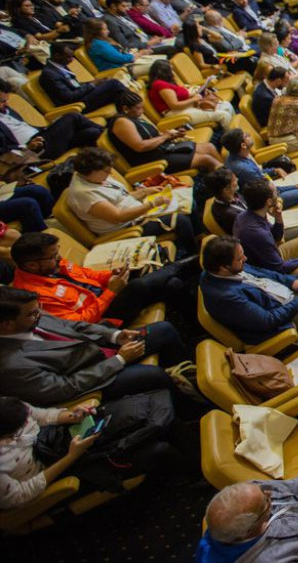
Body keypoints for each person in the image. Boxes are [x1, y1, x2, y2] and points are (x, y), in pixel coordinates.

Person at [0, 286, 184, 406]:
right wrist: (120, 360)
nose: (39, 314)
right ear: (7, 324)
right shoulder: (11, 366)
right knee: (153, 375)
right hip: (93, 379)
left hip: (102, 350)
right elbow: (64, 388)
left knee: (164, 329)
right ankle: (188, 409)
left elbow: (74, 326)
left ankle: (184, 374)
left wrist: (115, 336)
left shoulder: (31, 315)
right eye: (33, 313)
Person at [199, 235, 298, 351]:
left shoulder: (227, 266)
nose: (245, 259)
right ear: (223, 267)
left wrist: (290, 281)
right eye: (240, 259)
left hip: (286, 293)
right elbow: (268, 320)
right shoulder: (226, 299)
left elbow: (262, 272)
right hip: (282, 318)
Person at [10, 231, 197, 326]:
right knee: (138, 286)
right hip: (103, 320)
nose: (59, 258)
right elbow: (81, 322)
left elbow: (88, 275)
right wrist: (111, 292)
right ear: (32, 265)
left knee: (172, 284)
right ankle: (194, 263)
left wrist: (112, 275)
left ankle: (196, 323)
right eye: (53, 256)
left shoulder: (52, 264)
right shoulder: (33, 295)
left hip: (107, 298)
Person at [65, 148, 197, 254]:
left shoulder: (94, 178)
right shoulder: (84, 194)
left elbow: (121, 198)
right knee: (181, 220)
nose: (110, 173)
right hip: (127, 227)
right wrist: (152, 204)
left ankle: (198, 236)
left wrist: (144, 192)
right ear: (90, 171)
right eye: (106, 171)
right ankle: (193, 253)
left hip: (138, 212)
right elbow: (119, 217)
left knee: (187, 201)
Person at [205, 167, 298, 258]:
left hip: (270, 221)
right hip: (270, 234)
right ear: (226, 189)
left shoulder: (234, 196)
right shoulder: (229, 214)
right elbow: (267, 235)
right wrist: (276, 214)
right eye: (234, 181)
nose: (237, 181)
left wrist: (276, 215)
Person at [221, 128, 298, 218]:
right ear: (243, 145)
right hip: (267, 199)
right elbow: (270, 190)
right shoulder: (244, 170)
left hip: (267, 186)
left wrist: (274, 170)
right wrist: (296, 186)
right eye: (246, 136)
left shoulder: (236, 156)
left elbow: (259, 172)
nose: (249, 135)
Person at [109, 90, 222, 174]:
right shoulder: (121, 122)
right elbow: (140, 146)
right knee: (207, 159)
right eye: (138, 108)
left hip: (164, 149)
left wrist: (172, 135)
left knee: (209, 147)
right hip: (152, 160)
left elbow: (152, 136)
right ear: (125, 109)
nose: (142, 111)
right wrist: (165, 137)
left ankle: (231, 176)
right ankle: (225, 186)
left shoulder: (133, 117)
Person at [233, 178, 298, 276]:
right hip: (271, 273)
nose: (278, 194)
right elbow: (279, 268)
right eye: (275, 193)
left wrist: (278, 217)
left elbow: (277, 237)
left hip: (273, 255)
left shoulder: (249, 215)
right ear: (269, 202)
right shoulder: (258, 233)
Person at [0, 79, 102, 161]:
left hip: (43, 138)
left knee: (92, 133)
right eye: (2, 101)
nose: (7, 104)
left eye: (7, 100)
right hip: (31, 152)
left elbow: (25, 126)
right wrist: (26, 146)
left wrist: (49, 127)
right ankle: (110, 131)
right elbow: (3, 151)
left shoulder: (6, 109)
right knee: (73, 116)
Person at [39, 42, 130, 113]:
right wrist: (92, 84)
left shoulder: (60, 65)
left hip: (82, 96)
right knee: (114, 83)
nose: (72, 60)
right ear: (57, 56)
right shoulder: (49, 74)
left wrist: (94, 82)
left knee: (116, 91)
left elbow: (74, 85)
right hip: (76, 106)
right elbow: (69, 97)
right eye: (69, 57)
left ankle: (128, 114)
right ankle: (134, 106)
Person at [146, 59, 234, 128]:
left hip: (185, 107)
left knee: (226, 105)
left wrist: (198, 92)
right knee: (223, 115)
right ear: (165, 72)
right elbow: (174, 105)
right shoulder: (160, 84)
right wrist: (194, 99)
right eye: (171, 70)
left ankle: (232, 132)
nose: (173, 73)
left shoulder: (165, 82)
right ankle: (234, 143)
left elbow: (181, 95)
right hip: (176, 113)